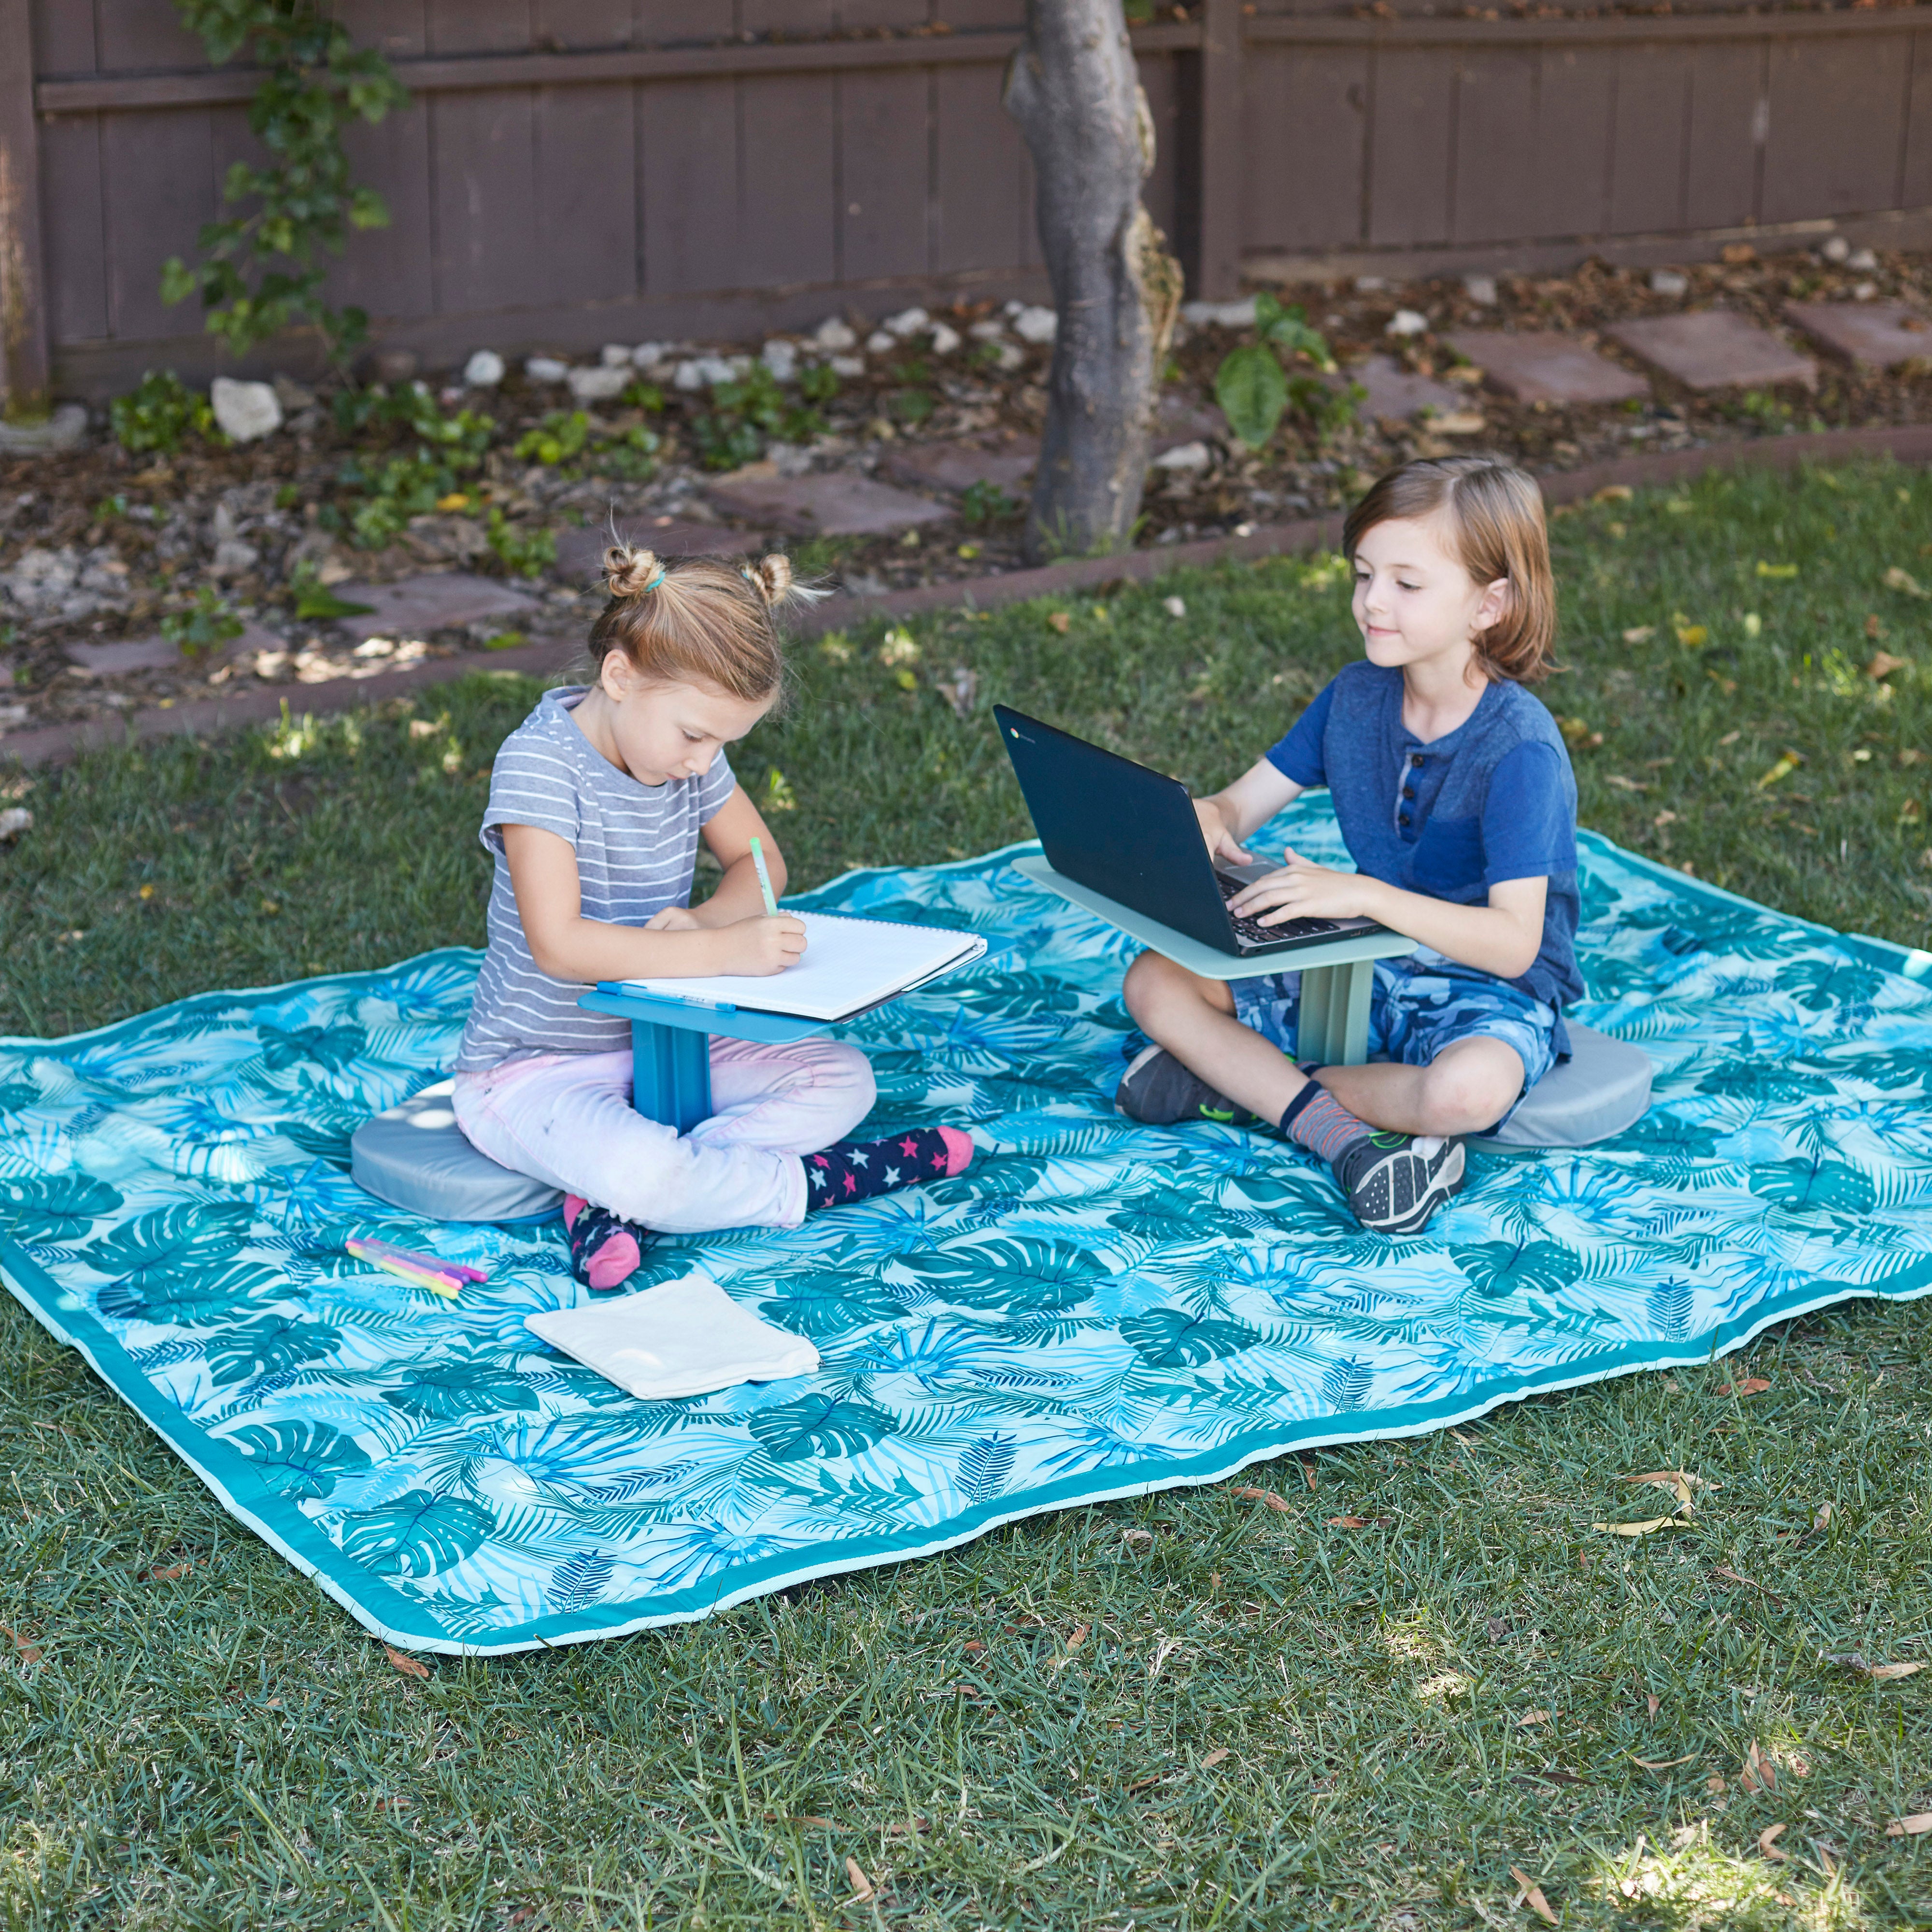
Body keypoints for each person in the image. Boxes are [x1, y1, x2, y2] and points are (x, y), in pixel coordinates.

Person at [452, 544, 973, 1289]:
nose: (705, 761)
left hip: (674, 1042)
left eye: (724, 743)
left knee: (845, 1079)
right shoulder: (539, 766)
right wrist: (721, 952)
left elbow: (761, 867)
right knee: (648, 1171)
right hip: (534, 1069)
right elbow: (560, 946)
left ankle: (613, 1202)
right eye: (697, 736)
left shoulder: (684, 755)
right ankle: (817, 1184)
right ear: (620, 676)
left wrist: (703, 925)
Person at [1117, 455, 1582, 1237]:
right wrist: (1204, 815)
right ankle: (1338, 1134)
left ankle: (1247, 1086)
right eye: (1363, 575)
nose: (1372, 602)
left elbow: (1512, 945)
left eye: (1407, 584)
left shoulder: (1521, 749)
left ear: (1488, 605)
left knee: (1464, 1095)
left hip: (1489, 993)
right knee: (1155, 982)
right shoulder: (1356, 696)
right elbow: (1242, 802)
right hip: (1363, 967)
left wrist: (1363, 895)